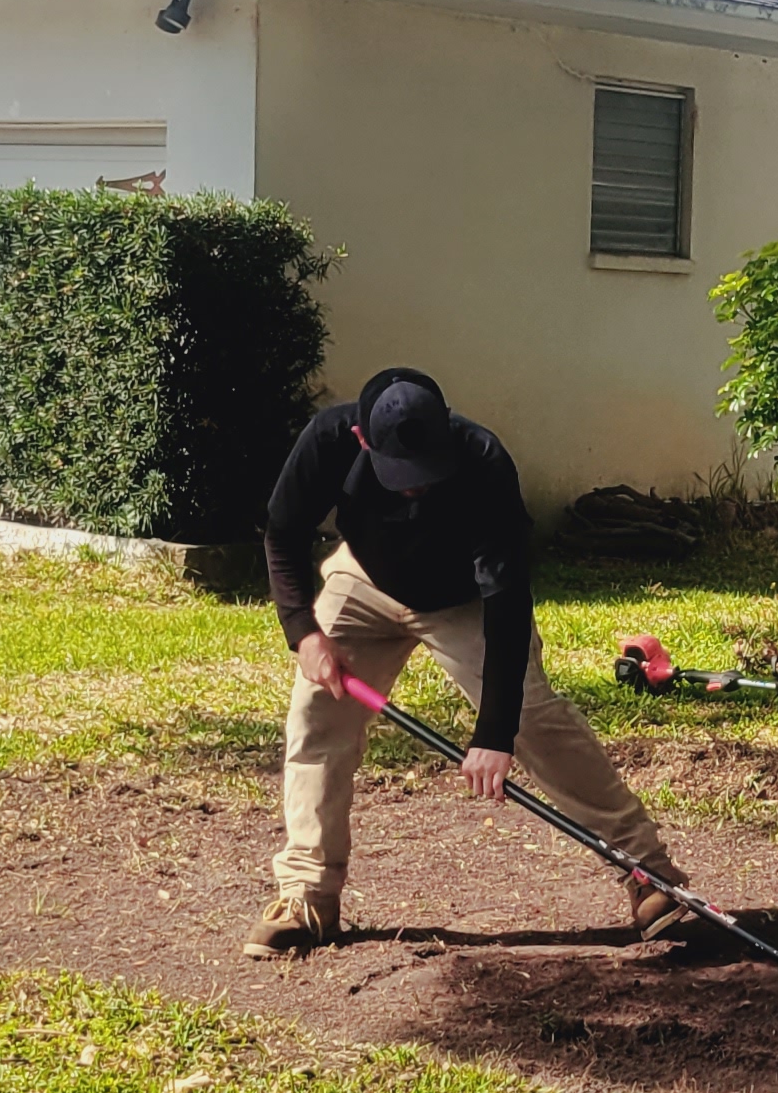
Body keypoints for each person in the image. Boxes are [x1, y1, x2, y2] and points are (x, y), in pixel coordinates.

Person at [246, 367, 690, 959]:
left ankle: (646, 872)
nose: (413, 490)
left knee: (530, 716)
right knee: (316, 716)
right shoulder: (327, 439)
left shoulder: (483, 462)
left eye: (424, 475)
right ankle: (307, 895)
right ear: (362, 440)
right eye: (399, 477)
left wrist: (494, 732)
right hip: (366, 581)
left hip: (464, 599)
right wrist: (303, 631)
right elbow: (282, 531)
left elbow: (506, 600)